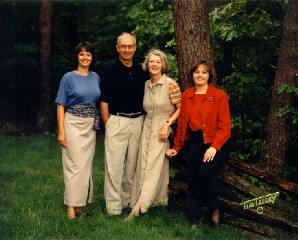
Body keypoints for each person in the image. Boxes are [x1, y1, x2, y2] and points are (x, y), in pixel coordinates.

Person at [166, 60, 231, 229]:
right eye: (197, 72)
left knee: (205, 173)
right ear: (192, 75)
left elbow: (225, 127)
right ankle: (194, 219)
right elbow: (182, 124)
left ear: (209, 76)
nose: (200, 75)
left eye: (204, 72)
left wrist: (214, 147)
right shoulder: (187, 95)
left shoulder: (219, 95)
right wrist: (176, 147)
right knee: (193, 179)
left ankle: (215, 210)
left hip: (217, 142)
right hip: (196, 142)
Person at [124, 49, 182, 222]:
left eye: (158, 61)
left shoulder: (170, 83)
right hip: (147, 126)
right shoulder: (146, 84)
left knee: (152, 166)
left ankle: (139, 207)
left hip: (163, 127)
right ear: (147, 65)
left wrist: (166, 125)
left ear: (163, 65)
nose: (154, 64)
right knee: (143, 163)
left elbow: (180, 108)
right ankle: (153, 199)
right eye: (151, 62)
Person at [100, 32, 149, 216]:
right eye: (123, 46)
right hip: (116, 120)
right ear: (117, 48)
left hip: (137, 121)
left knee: (132, 166)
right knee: (114, 166)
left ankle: (127, 202)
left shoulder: (141, 72)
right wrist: (109, 124)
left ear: (135, 48)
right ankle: (113, 208)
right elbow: (103, 101)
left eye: (130, 46)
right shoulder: (110, 71)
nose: (127, 50)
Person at [55, 41, 101, 219]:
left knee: (85, 166)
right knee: (74, 166)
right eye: (81, 54)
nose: (85, 57)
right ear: (77, 57)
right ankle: (70, 208)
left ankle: (79, 206)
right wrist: (61, 131)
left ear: (92, 57)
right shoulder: (68, 77)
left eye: (88, 54)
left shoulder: (95, 77)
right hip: (72, 123)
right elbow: (60, 105)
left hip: (90, 125)